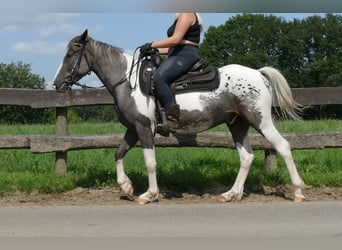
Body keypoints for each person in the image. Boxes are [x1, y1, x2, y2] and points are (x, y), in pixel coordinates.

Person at [139, 13, 203, 127]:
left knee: (159, 77)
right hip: (177, 54)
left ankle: (173, 117)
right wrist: (154, 50)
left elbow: (175, 39)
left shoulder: (187, 13)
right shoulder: (181, 16)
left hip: (185, 55)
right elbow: (172, 47)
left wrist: (151, 44)